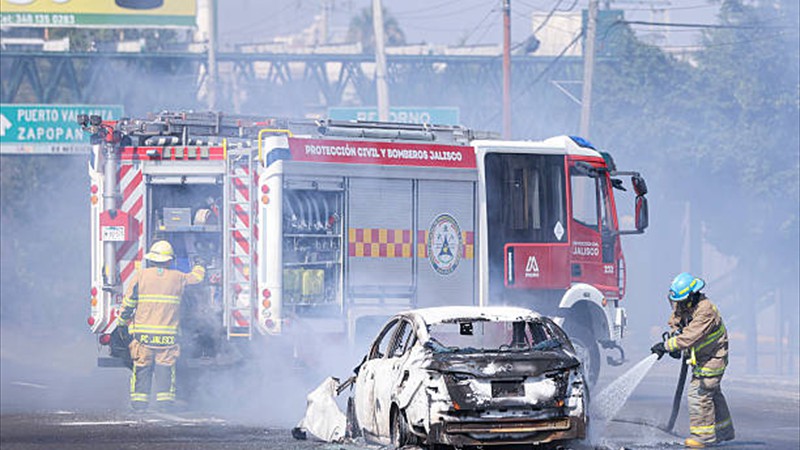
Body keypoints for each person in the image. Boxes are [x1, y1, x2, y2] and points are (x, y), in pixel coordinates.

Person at [117, 240, 205, 412]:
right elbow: (197, 278)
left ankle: (139, 403)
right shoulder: (178, 277)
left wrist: (121, 323)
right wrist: (200, 265)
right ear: (169, 260)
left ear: (151, 259)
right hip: (167, 336)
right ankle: (164, 403)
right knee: (165, 367)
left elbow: (129, 304)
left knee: (142, 367)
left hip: (142, 336)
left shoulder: (140, 276)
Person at [651, 272, 734, 448]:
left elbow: (690, 336)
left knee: (699, 393)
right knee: (713, 393)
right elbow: (676, 319)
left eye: (681, 301)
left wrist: (667, 346)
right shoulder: (686, 304)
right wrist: (674, 334)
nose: (678, 304)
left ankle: (702, 437)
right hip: (702, 356)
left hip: (713, 358)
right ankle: (723, 431)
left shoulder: (705, 310)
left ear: (692, 295)